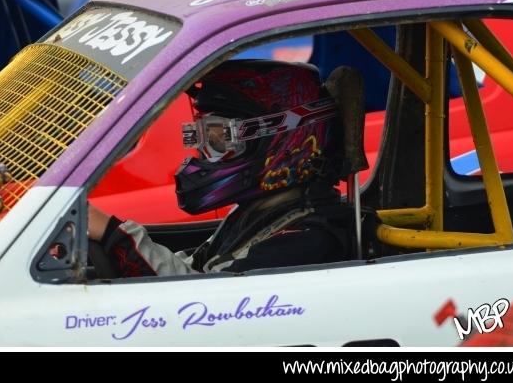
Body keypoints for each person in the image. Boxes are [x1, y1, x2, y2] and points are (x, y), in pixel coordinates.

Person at [88, 59, 358, 277]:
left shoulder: (303, 241)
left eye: (221, 137)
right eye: (203, 136)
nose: (208, 152)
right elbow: (196, 268)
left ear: (282, 139)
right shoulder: (258, 212)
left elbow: (198, 299)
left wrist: (115, 235)